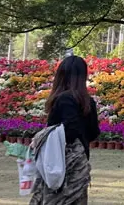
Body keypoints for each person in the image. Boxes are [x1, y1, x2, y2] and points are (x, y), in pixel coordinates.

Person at [31, 55, 100, 205]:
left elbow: (70, 130)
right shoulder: (88, 101)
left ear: (61, 75)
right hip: (80, 165)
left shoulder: (63, 99)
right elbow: (94, 132)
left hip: (61, 163)